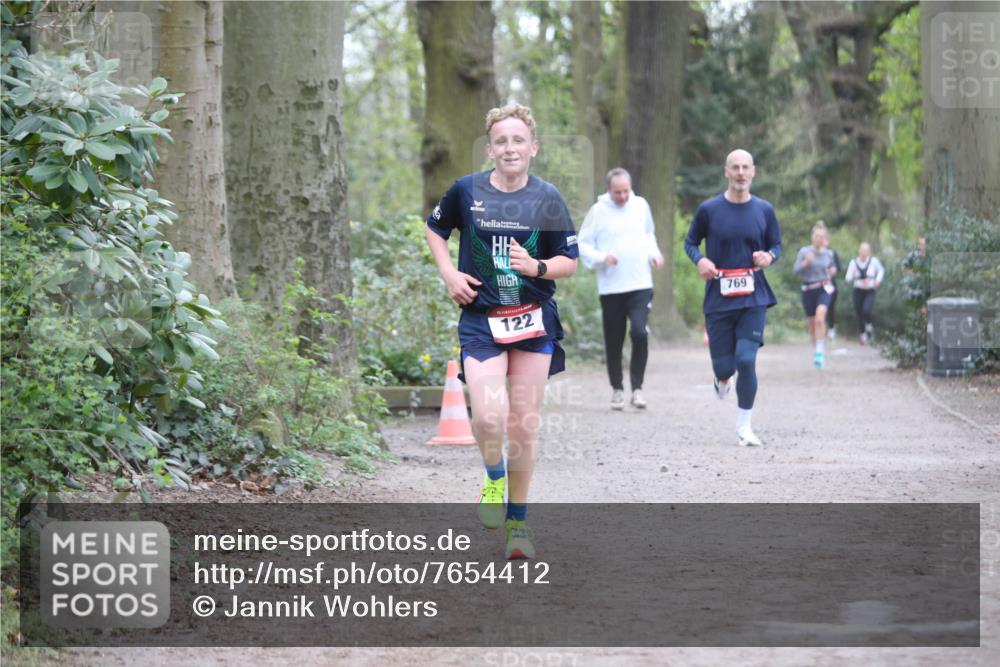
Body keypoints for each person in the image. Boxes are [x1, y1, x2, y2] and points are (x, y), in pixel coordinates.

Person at [425, 103, 578, 560]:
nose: (509, 148)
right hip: (481, 320)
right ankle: (494, 478)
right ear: (490, 148)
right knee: (488, 418)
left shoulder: (547, 197)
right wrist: (448, 273)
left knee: (522, 428)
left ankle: (519, 525)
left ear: (533, 147)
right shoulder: (465, 190)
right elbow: (435, 229)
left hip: (533, 320)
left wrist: (539, 265)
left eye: (518, 140)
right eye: (501, 141)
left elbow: (569, 261)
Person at [684, 149, 781, 447]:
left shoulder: (764, 210)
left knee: (746, 358)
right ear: (726, 172)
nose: (740, 173)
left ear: (754, 172)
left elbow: (776, 245)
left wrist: (769, 256)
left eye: (745, 167)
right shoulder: (709, 210)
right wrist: (700, 260)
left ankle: (744, 427)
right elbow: (690, 242)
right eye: (735, 167)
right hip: (719, 296)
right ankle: (722, 379)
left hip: (754, 295)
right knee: (725, 367)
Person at [578, 168, 664, 411]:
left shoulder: (640, 205)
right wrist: (602, 257)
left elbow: (649, 236)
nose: (623, 196)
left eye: (626, 191)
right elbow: (583, 245)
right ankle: (617, 388)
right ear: (608, 190)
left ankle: (637, 389)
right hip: (612, 287)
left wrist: (654, 255)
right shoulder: (597, 212)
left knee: (639, 332)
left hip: (640, 283)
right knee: (614, 340)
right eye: (618, 192)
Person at [793, 222, 838, 369]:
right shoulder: (804, 252)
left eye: (822, 236)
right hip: (808, 290)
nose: (819, 239)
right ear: (812, 237)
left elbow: (832, 267)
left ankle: (820, 351)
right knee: (812, 324)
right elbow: (796, 271)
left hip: (823, 288)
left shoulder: (828, 253)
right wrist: (806, 262)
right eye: (817, 236)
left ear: (825, 238)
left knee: (820, 319)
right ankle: (816, 347)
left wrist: (832, 271)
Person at [845, 242, 885, 344]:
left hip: (869, 291)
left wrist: (878, 280)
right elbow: (847, 278)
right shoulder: (853, 263)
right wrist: (853, 274)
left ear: (869, 252)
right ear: (859, 251)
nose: (864, 252)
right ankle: (862, 335)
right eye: (862, 250)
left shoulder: (874, 261)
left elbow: (881, 270)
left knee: (866, 311)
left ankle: (869, 327)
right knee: (859, 313)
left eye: (866, 250)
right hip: (858, 290)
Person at [823, 233, 842, 341]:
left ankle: (831, 328)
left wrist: (833, 270)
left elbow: (838, 267)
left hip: (830, 284)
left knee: (830, 307)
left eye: (825, 240)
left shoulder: (832, 253)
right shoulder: (813, 252)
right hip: (817, 284)